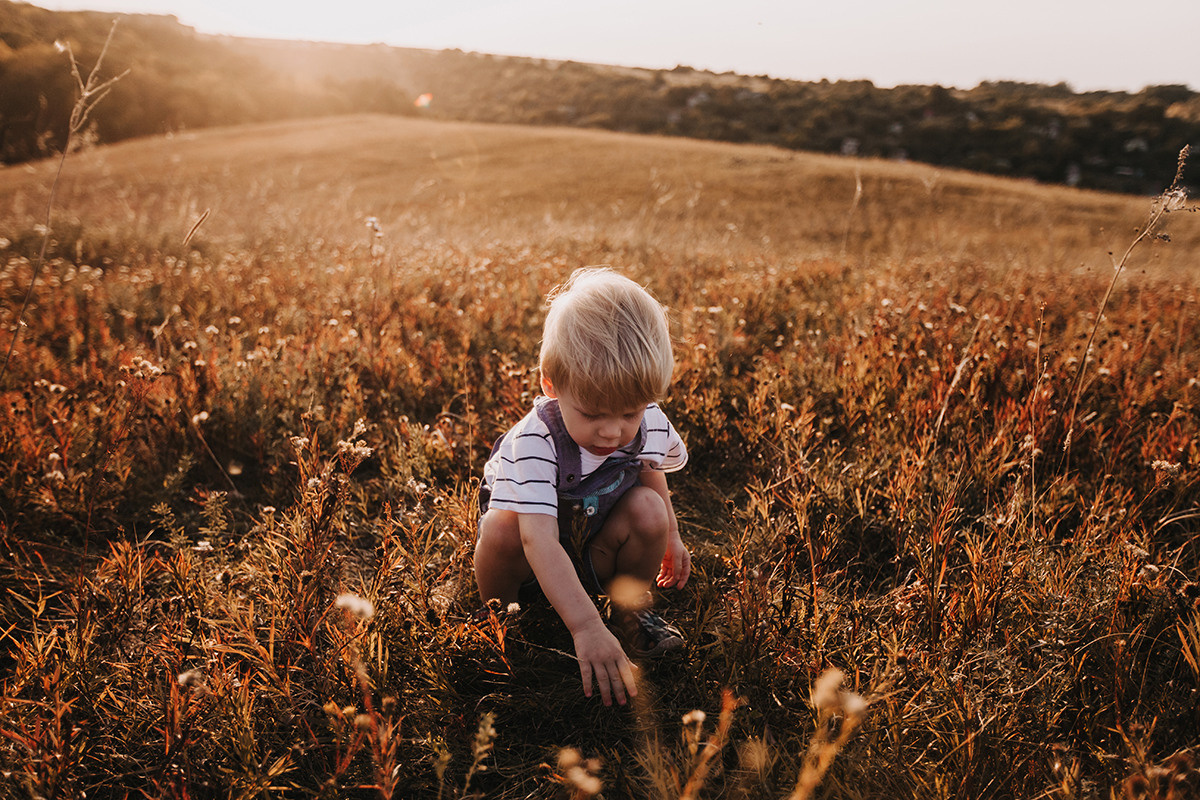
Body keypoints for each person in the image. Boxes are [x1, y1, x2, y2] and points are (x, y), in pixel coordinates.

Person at [474, 267, 690, 707]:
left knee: (650, 508)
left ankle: (630, 613)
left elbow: (650, 468)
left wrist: (670, 534)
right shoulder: (534, 442)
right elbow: (538, 540)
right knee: (501, 528)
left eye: (629, 413)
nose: (613, 432)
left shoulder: (645, 421)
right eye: (593, 414)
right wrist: (585, 627)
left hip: (595, 544)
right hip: (533, 559)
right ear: (550, 383)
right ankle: (498, 618)